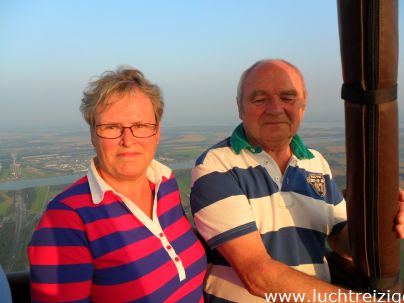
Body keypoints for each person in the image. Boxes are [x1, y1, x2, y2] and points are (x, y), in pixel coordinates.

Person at [190, 59, 404, 302]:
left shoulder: (316, 162)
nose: (275, 108)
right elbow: (257, 275)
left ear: (303, 106)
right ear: (240, 107)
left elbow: (342, 240)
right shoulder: (216, 165)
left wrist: (383, 214)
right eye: (259, 99)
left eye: (288, 98)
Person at [28, 66, 206, 302]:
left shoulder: (166, 184)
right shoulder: (65, 220)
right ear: (93, 135)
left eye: (141, 126)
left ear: (157, 132)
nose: (128, 140)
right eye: (111, 127)